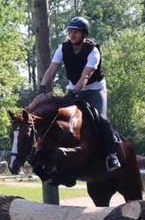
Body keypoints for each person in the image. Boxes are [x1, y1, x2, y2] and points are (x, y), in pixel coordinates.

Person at [35, 15, 121, 171]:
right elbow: (51, 69)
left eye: (76, 32)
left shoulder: (93, 51)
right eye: (70, 31)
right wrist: (42, 87)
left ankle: (111, 155)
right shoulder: (63, 48)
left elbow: (85, 76)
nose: (72, 35)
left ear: (84, 34)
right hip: (74, 88)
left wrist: (74, 92)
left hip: (94, 90)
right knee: (58, 118)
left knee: (101, 120)